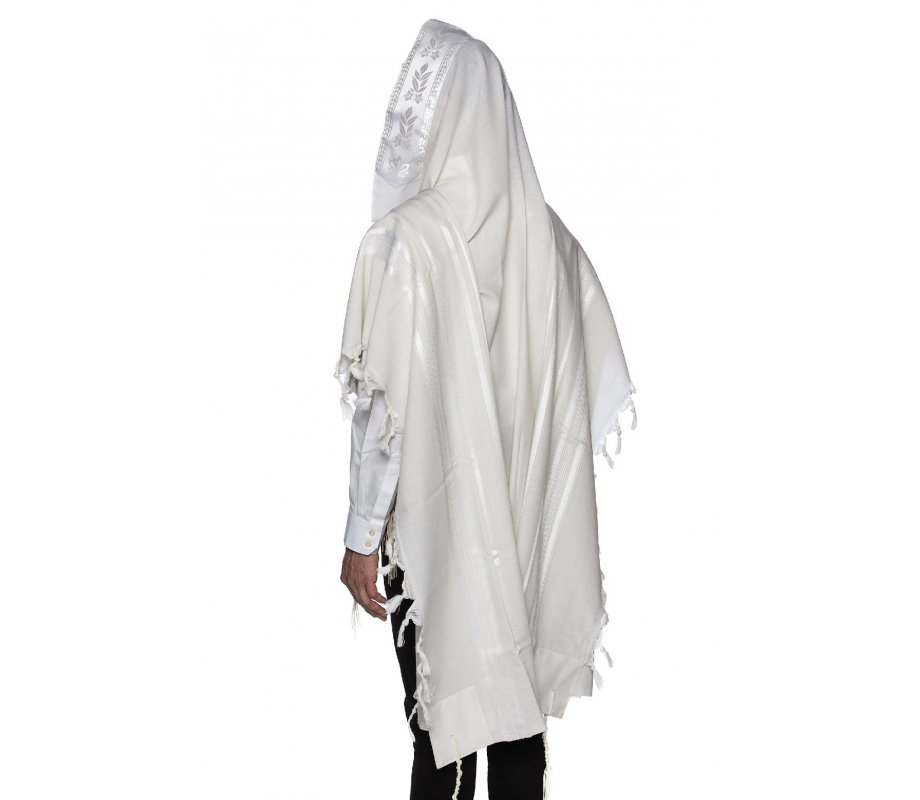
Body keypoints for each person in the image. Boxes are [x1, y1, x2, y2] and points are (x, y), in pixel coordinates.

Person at [334, 18, 638, 799]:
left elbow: (388, 411)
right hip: (525, 520)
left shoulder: (410, 245)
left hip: (436, 530)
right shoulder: (552, 243)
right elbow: (582, 386)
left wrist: (362, 536)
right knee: (517, 726)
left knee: (443, 722)